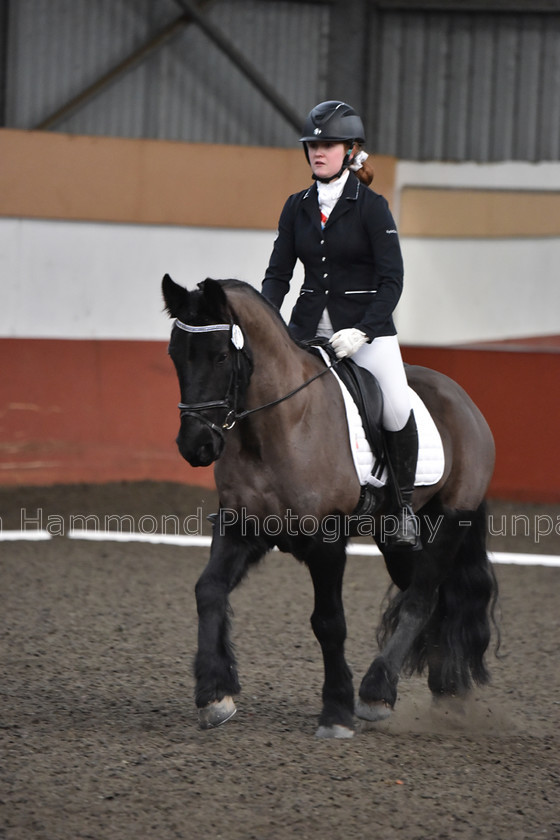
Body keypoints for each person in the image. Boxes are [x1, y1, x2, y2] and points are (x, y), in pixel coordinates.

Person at [261, 100, 420, 550]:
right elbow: (278, 276)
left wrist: (365, 330)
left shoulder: (372, 207)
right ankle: (262, 496)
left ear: (351, 151)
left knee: (394, 406)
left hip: (364, 332)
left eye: (327, 145)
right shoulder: (297, 207)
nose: (317, 152)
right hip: (307, 330)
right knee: (264, 393)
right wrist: (263, 323)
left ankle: (403, 508)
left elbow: (392, 280)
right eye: (312, 145)